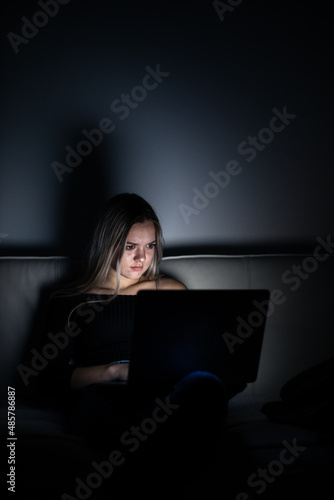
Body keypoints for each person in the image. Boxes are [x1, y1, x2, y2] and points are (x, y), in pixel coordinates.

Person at [38, 193, 228, 494]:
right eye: (130, 247)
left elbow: (192, 353)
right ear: (107, 245)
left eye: (150, 246)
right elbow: (45, 378)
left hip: (165, 393)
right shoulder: (71, 300)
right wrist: (114, 372)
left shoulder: (171, 289)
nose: (142, 258)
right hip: (104, 395)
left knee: (205, 383)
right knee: (137, 418)